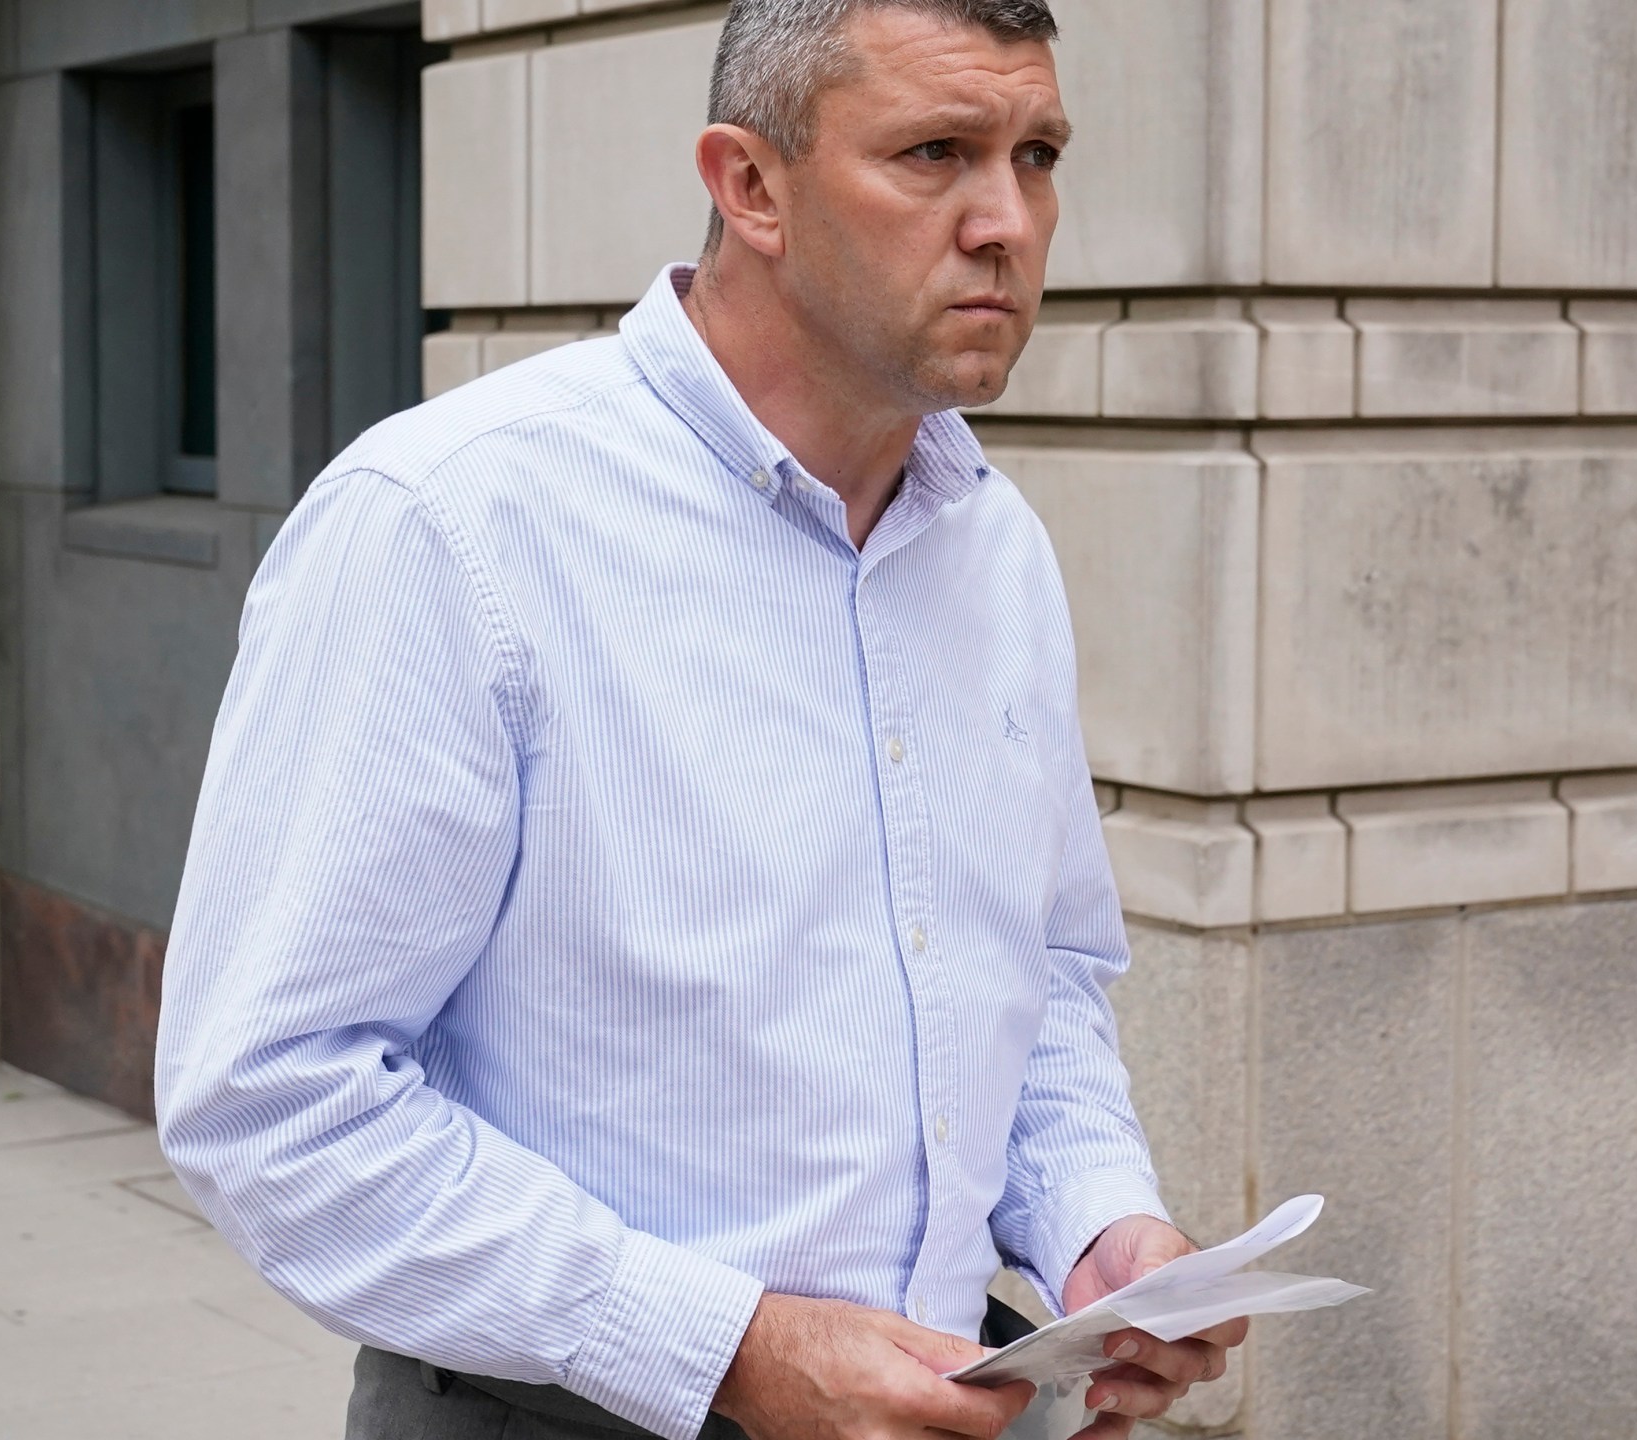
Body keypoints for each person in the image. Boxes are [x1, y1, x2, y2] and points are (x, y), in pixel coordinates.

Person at [154, 2, 1246, 1437]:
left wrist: (1097, 1224)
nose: (1007, 221)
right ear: (749, 185)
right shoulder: (450, 524)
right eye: (937, 152)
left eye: (1037, 155)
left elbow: (1029, 974)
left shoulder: (993, 545)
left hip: (958, 1395)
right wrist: (721, 1346)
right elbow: (271, 1103)